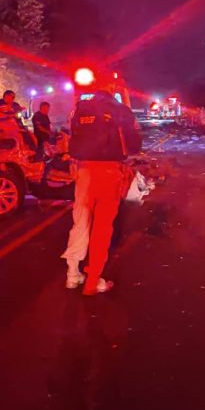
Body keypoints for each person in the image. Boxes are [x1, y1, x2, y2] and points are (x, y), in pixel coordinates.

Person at [61, 89, 142, 295]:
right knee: (102, 228)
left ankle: (72, 274)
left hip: (83, 170)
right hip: (109, 173)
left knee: (80, 220)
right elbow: (134, 144)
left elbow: (72, 138)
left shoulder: (81, 109)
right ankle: (93, 282)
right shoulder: (120, 110)